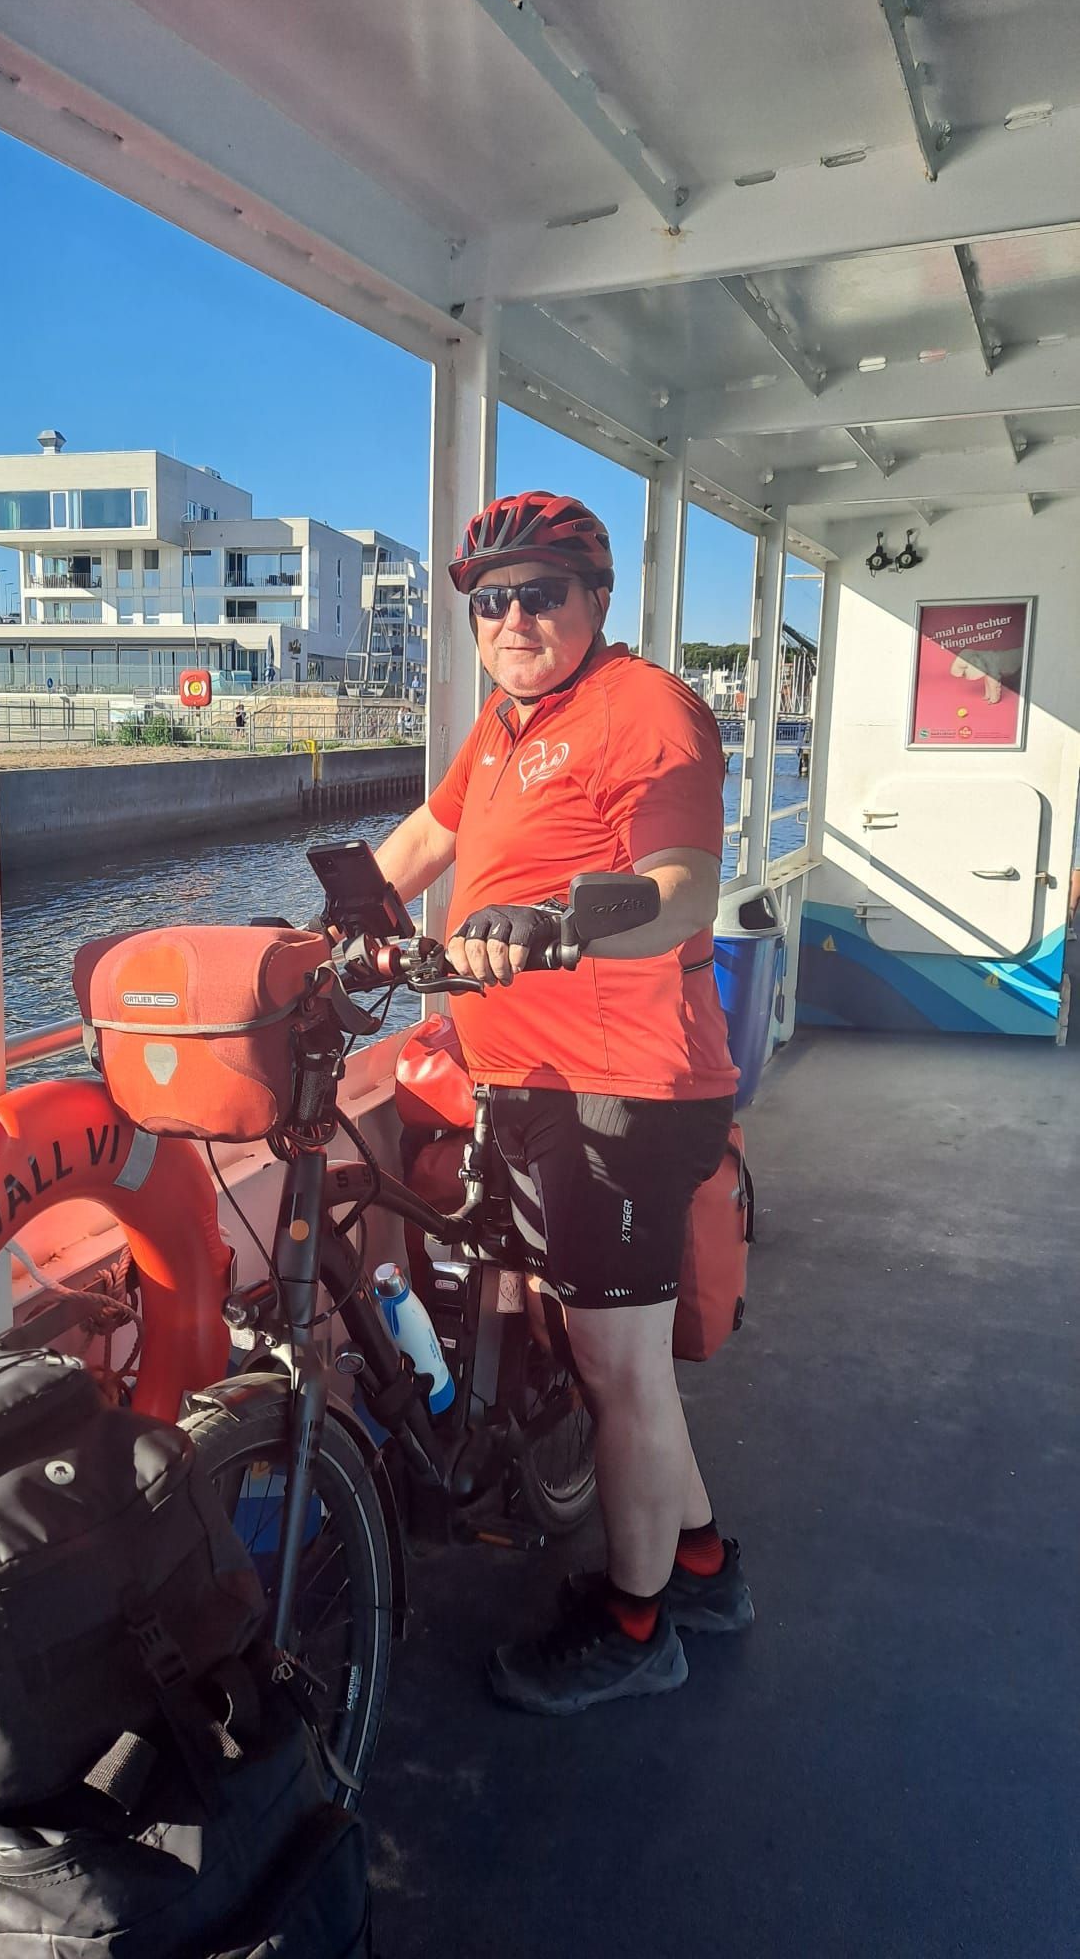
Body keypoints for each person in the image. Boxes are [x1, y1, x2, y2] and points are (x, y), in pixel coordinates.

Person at [373, 490, 753, 1716]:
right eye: (491, 602)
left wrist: (552, 922)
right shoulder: (505, 724)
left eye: (541, 594)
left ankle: (637, 1629)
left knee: (619, 1368)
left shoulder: (643, 706)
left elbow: (684, 888)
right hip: (534, 1084)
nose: (514, 619)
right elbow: (419, 844)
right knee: (619, 1361)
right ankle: (703, 1567)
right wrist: (323, 926)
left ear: (596, 601)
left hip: (620, 1092)